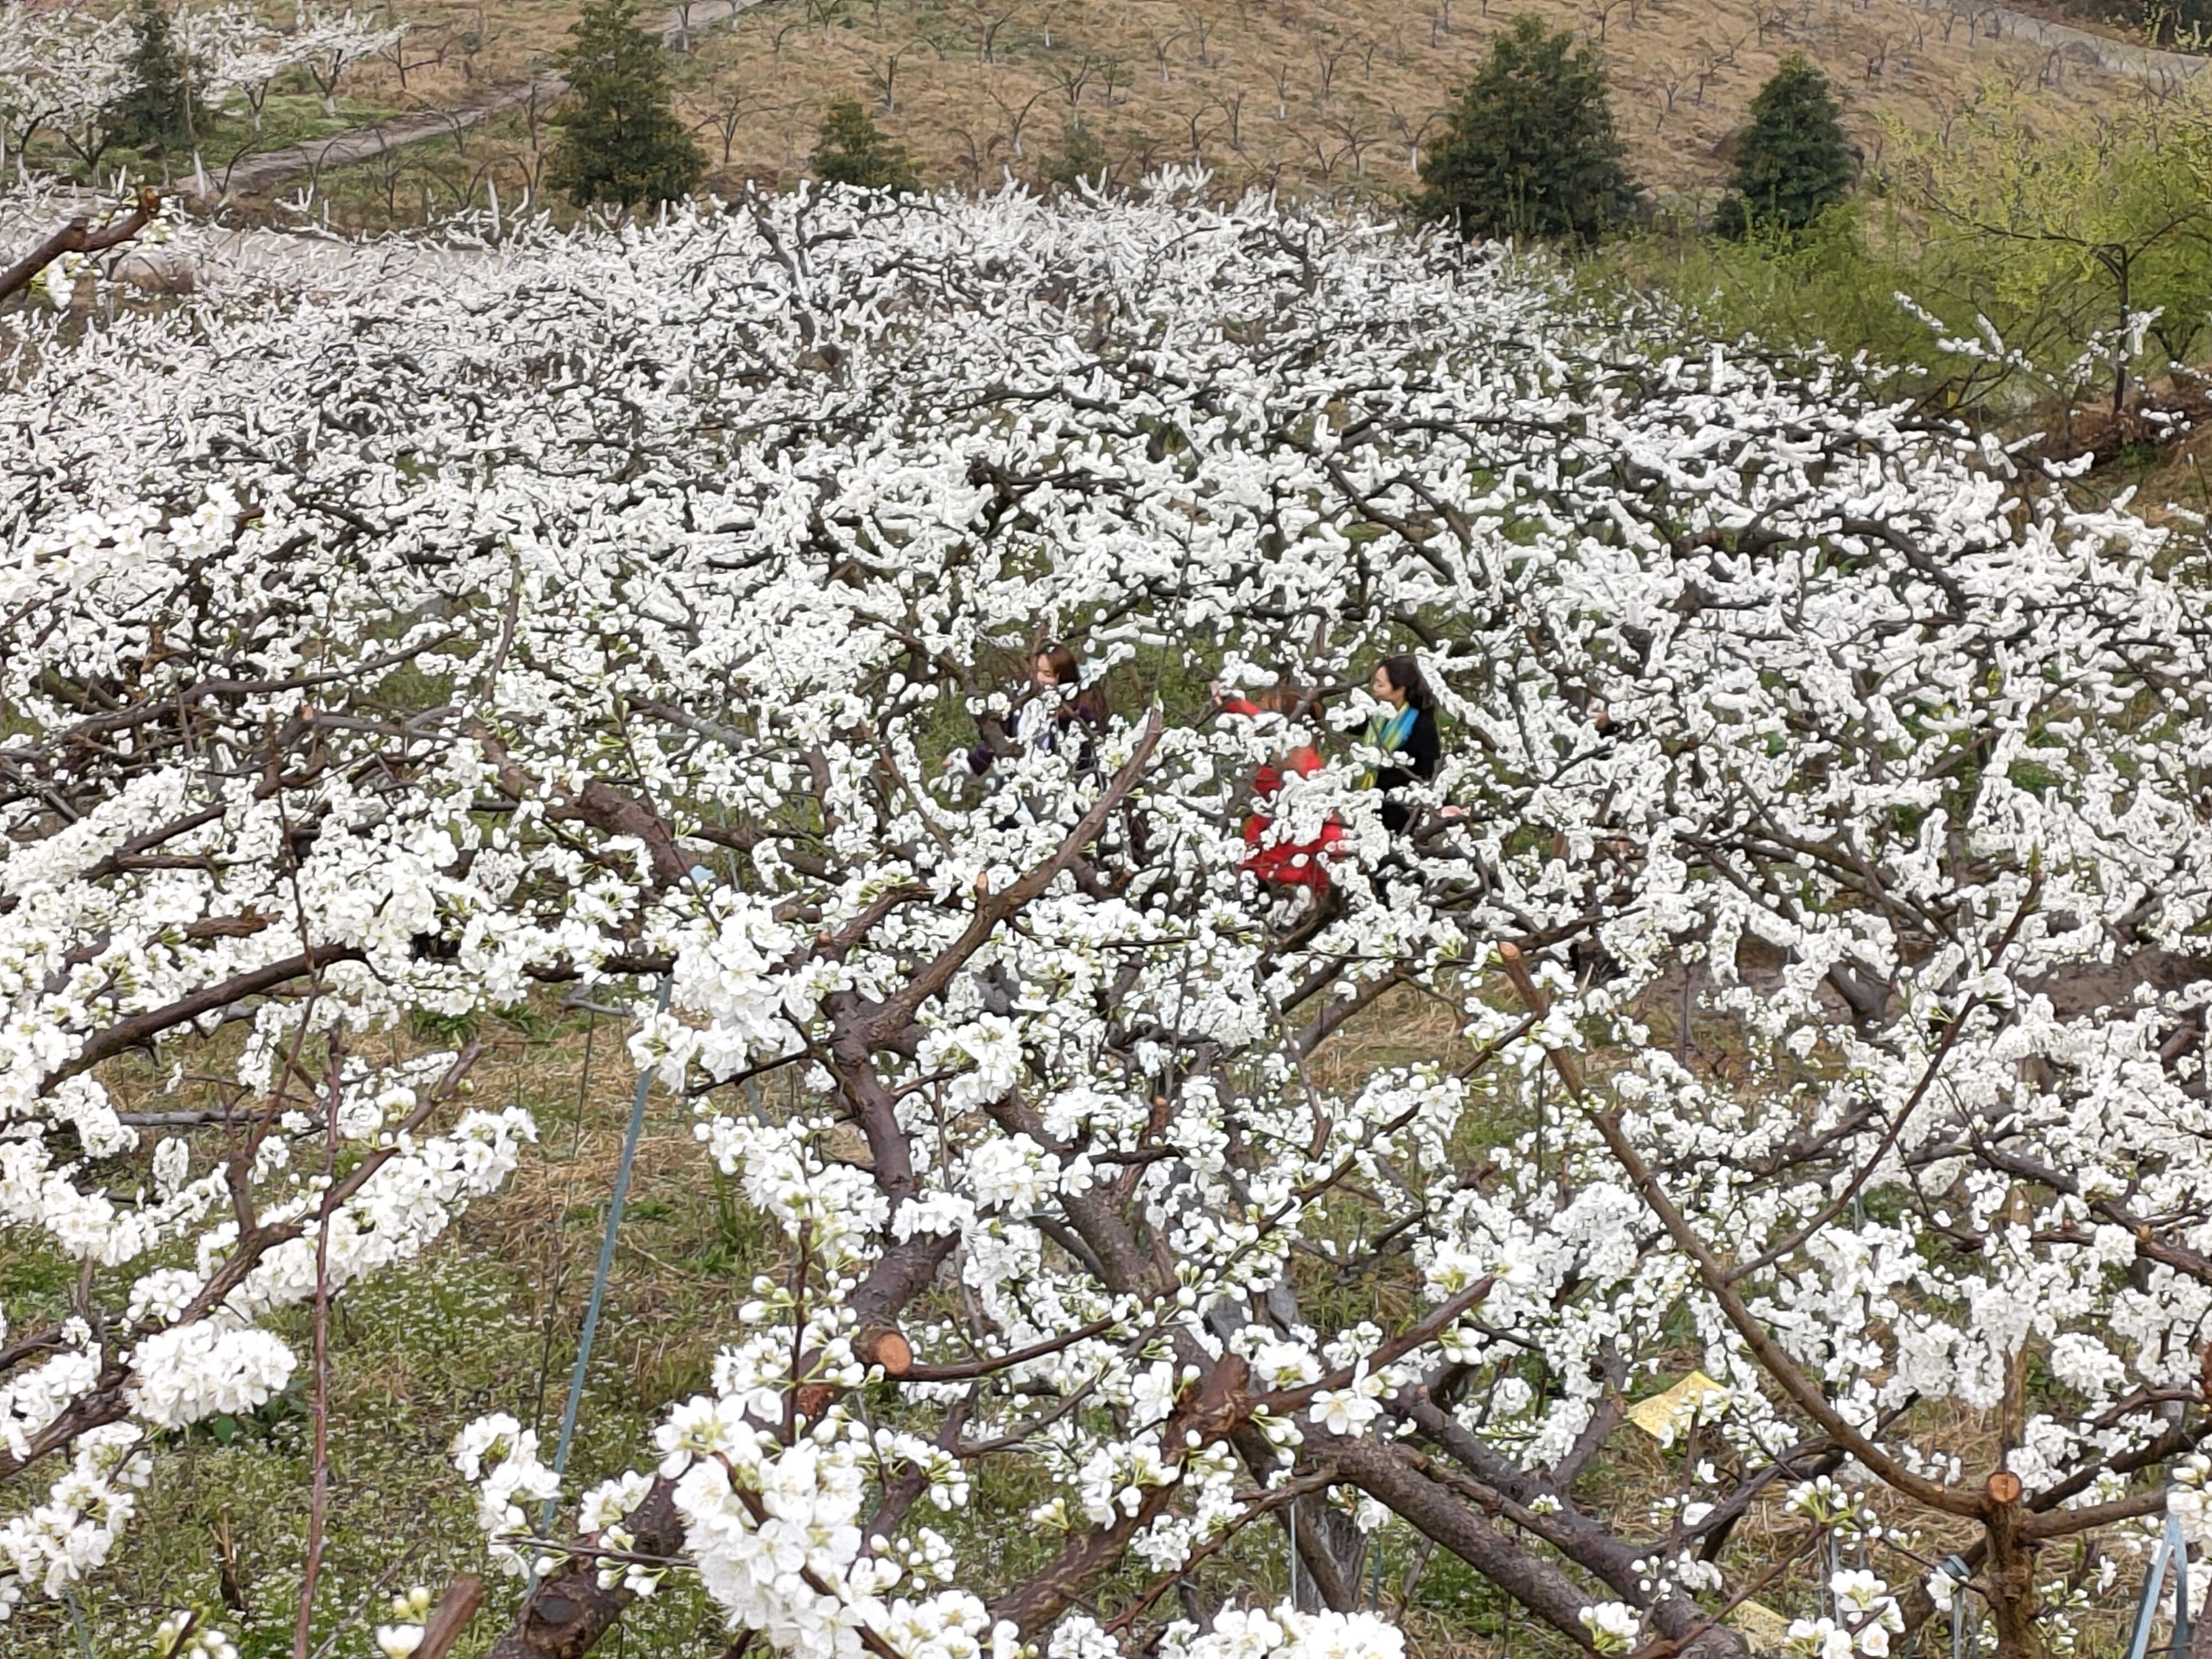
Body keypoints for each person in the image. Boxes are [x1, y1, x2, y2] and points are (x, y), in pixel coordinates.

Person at [1211, 680, 1345, 891]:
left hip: (1291, 876)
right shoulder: (1280, 756)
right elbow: (1255, 717)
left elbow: (1329, 827)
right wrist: (1231, 702)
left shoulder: (1308, 771)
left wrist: (1326, 881)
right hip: (1260, 861)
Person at [959, 643, 1110, 776]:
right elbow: (1000, 736)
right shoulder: (1023, 700)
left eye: (1047, 674)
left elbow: (1087, 761)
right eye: (1038, 671)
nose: (1040, 679)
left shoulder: (1079, 714)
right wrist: (972, 764)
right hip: (1017, 780)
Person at [1362, 655, 1441, 834]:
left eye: (1381, 685)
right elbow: (1350, 723)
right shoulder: (1377, 715)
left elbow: (1431, 770)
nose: (1375, 689)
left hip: (1401, 813)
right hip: (1372, 804)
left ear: (1400, 689)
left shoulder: (1421, 725)